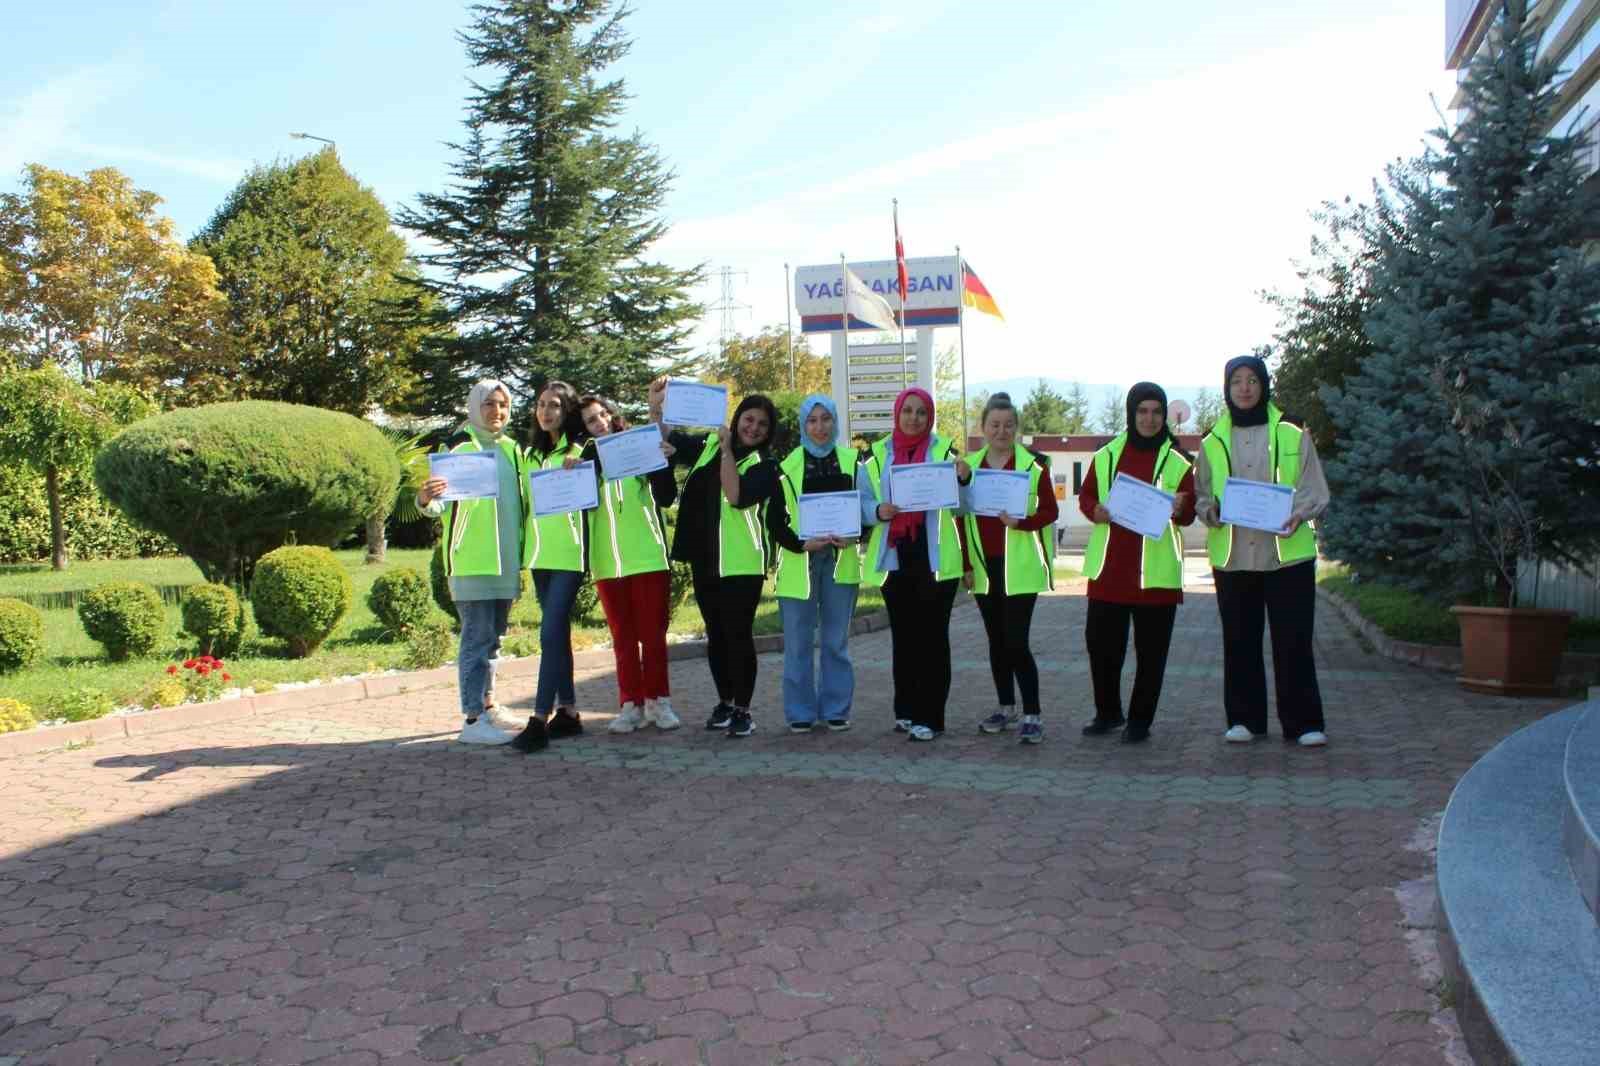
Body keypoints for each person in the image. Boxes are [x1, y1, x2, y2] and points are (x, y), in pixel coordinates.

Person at [1194, 355, 1331, 747]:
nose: (1244, 388)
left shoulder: (1291, 431)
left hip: (1287, 555)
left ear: (1264, 384)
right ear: (1227, 388)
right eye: (1236, 381)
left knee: (1293, 641)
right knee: (1239, 641)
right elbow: (1203, 492)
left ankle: (1304, 723)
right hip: (1235, 557)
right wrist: (1211, 511)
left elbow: (1314, 487)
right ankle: (1244, 719)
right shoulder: (1212, 440)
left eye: (1252, 379)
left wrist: (1298, 513)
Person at [649, 378, 780, 739]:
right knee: (717, 636)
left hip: (741, 565)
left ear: (768, 433)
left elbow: (736, 497)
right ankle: (724, 701)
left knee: (738, 636)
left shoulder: (764, 466)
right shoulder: (708, 445)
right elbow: (668, 439)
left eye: (761, 424)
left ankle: (743, 709)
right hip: (705, 559)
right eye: (748, 419)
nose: (752, 428)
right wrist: (657, 408)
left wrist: (726, 451)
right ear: (737, 418)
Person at [1078, 383, 1197, 744]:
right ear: (1131, 413)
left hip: (1155, 578)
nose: (1149, 418)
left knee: (1151, 656)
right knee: (1101, 647)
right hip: (1109, 572)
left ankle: (1140, 721)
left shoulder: (1178, 462)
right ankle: (1108, 713)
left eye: (1156, 412)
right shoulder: (1107, 454)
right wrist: (1093, 511)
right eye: (1142, 411)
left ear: (1164, 417)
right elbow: (1087, 496)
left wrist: (1181, 507)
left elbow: (1189, 514)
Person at [416, 379, 533, 746]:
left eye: (502, 405)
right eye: (488, 404)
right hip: (471, 561)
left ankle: (489, 704)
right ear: (474, 406)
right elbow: (438, 505)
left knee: (494, 640)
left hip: (506, 562)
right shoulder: (457, 447)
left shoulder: (514, 450)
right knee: (476, 640)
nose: (496, 411)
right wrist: (425, 497)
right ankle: (472, 719)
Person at [859, 387, 970, 741]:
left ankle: (931, 716)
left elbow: (963, 507)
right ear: (897, 413)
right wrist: (877, 511)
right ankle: (905, 709)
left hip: (935, 560)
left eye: (921, 412)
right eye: (907, 410)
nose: (913, 418)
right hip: (895, 557)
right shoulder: (877, 456)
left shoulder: (944, 453)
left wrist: (965, 479)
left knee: (933, 640)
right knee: (904, 639)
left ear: (930, 416)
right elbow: (862, 501)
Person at [571, 394, 683, 735]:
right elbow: (576, 503)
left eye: (603, 413)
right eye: (591, 420)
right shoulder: (585, 459)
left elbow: (666, 497)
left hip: (647, 557)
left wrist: (661, 461)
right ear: (584, 428)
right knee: (622, 639)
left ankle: (658, 701)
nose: (601, 421)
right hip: (607, 563)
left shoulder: (641, 444)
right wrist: (572, 472)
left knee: (652, 636)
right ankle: (629, 704)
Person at [959, 392, 1057, 744]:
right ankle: (1006, 707)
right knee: (996, 642)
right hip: (984, 567)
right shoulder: (968, 466)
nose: (1002, 431)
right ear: (983, 427)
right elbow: (959, 519)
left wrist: (1022, 523)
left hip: (1021, 568)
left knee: (1017, 641)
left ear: (1017, 428)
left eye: (1008, 425)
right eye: (995, 425)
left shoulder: (1033, 466)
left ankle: (1033, 713)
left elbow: (1050, 512)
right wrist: (966, 564)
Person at [766, 395, 861, 734]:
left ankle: (836, 709)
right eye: (813, 420)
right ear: (804, 425)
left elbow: (865, 510)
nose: (820, 427)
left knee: (836, 641)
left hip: (839, 562)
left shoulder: (853, 461)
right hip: (799, 564)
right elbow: (774, 520)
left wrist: (855, 534)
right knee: (798, 643)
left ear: (835, 422)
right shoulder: (786, 466)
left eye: (826, 419)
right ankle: (800, 712)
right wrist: (800, 543)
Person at [517, 380, 588, 750]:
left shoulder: (579, 450)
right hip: (539, 557)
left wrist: (582, 464)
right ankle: (570, 712)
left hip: (568, 556)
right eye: (542, 404)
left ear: (567, 411)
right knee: (556, 634)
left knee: (548, 633)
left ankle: (538, 718)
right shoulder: (529, 455)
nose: (546, 411)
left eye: (555, 406)